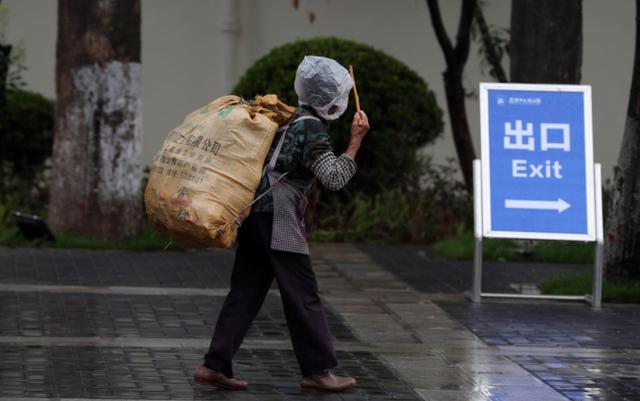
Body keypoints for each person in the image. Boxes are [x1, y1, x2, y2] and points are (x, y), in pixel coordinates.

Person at [194, 55, 370, 392]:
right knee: (303, 293)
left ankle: (214, 365)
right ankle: (318, 371)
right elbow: (333, 177)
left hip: (257, 211)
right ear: (330, 98)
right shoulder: (312, 126)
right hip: (280, 215)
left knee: (246, 291)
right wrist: (356, 141)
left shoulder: (287, 119)